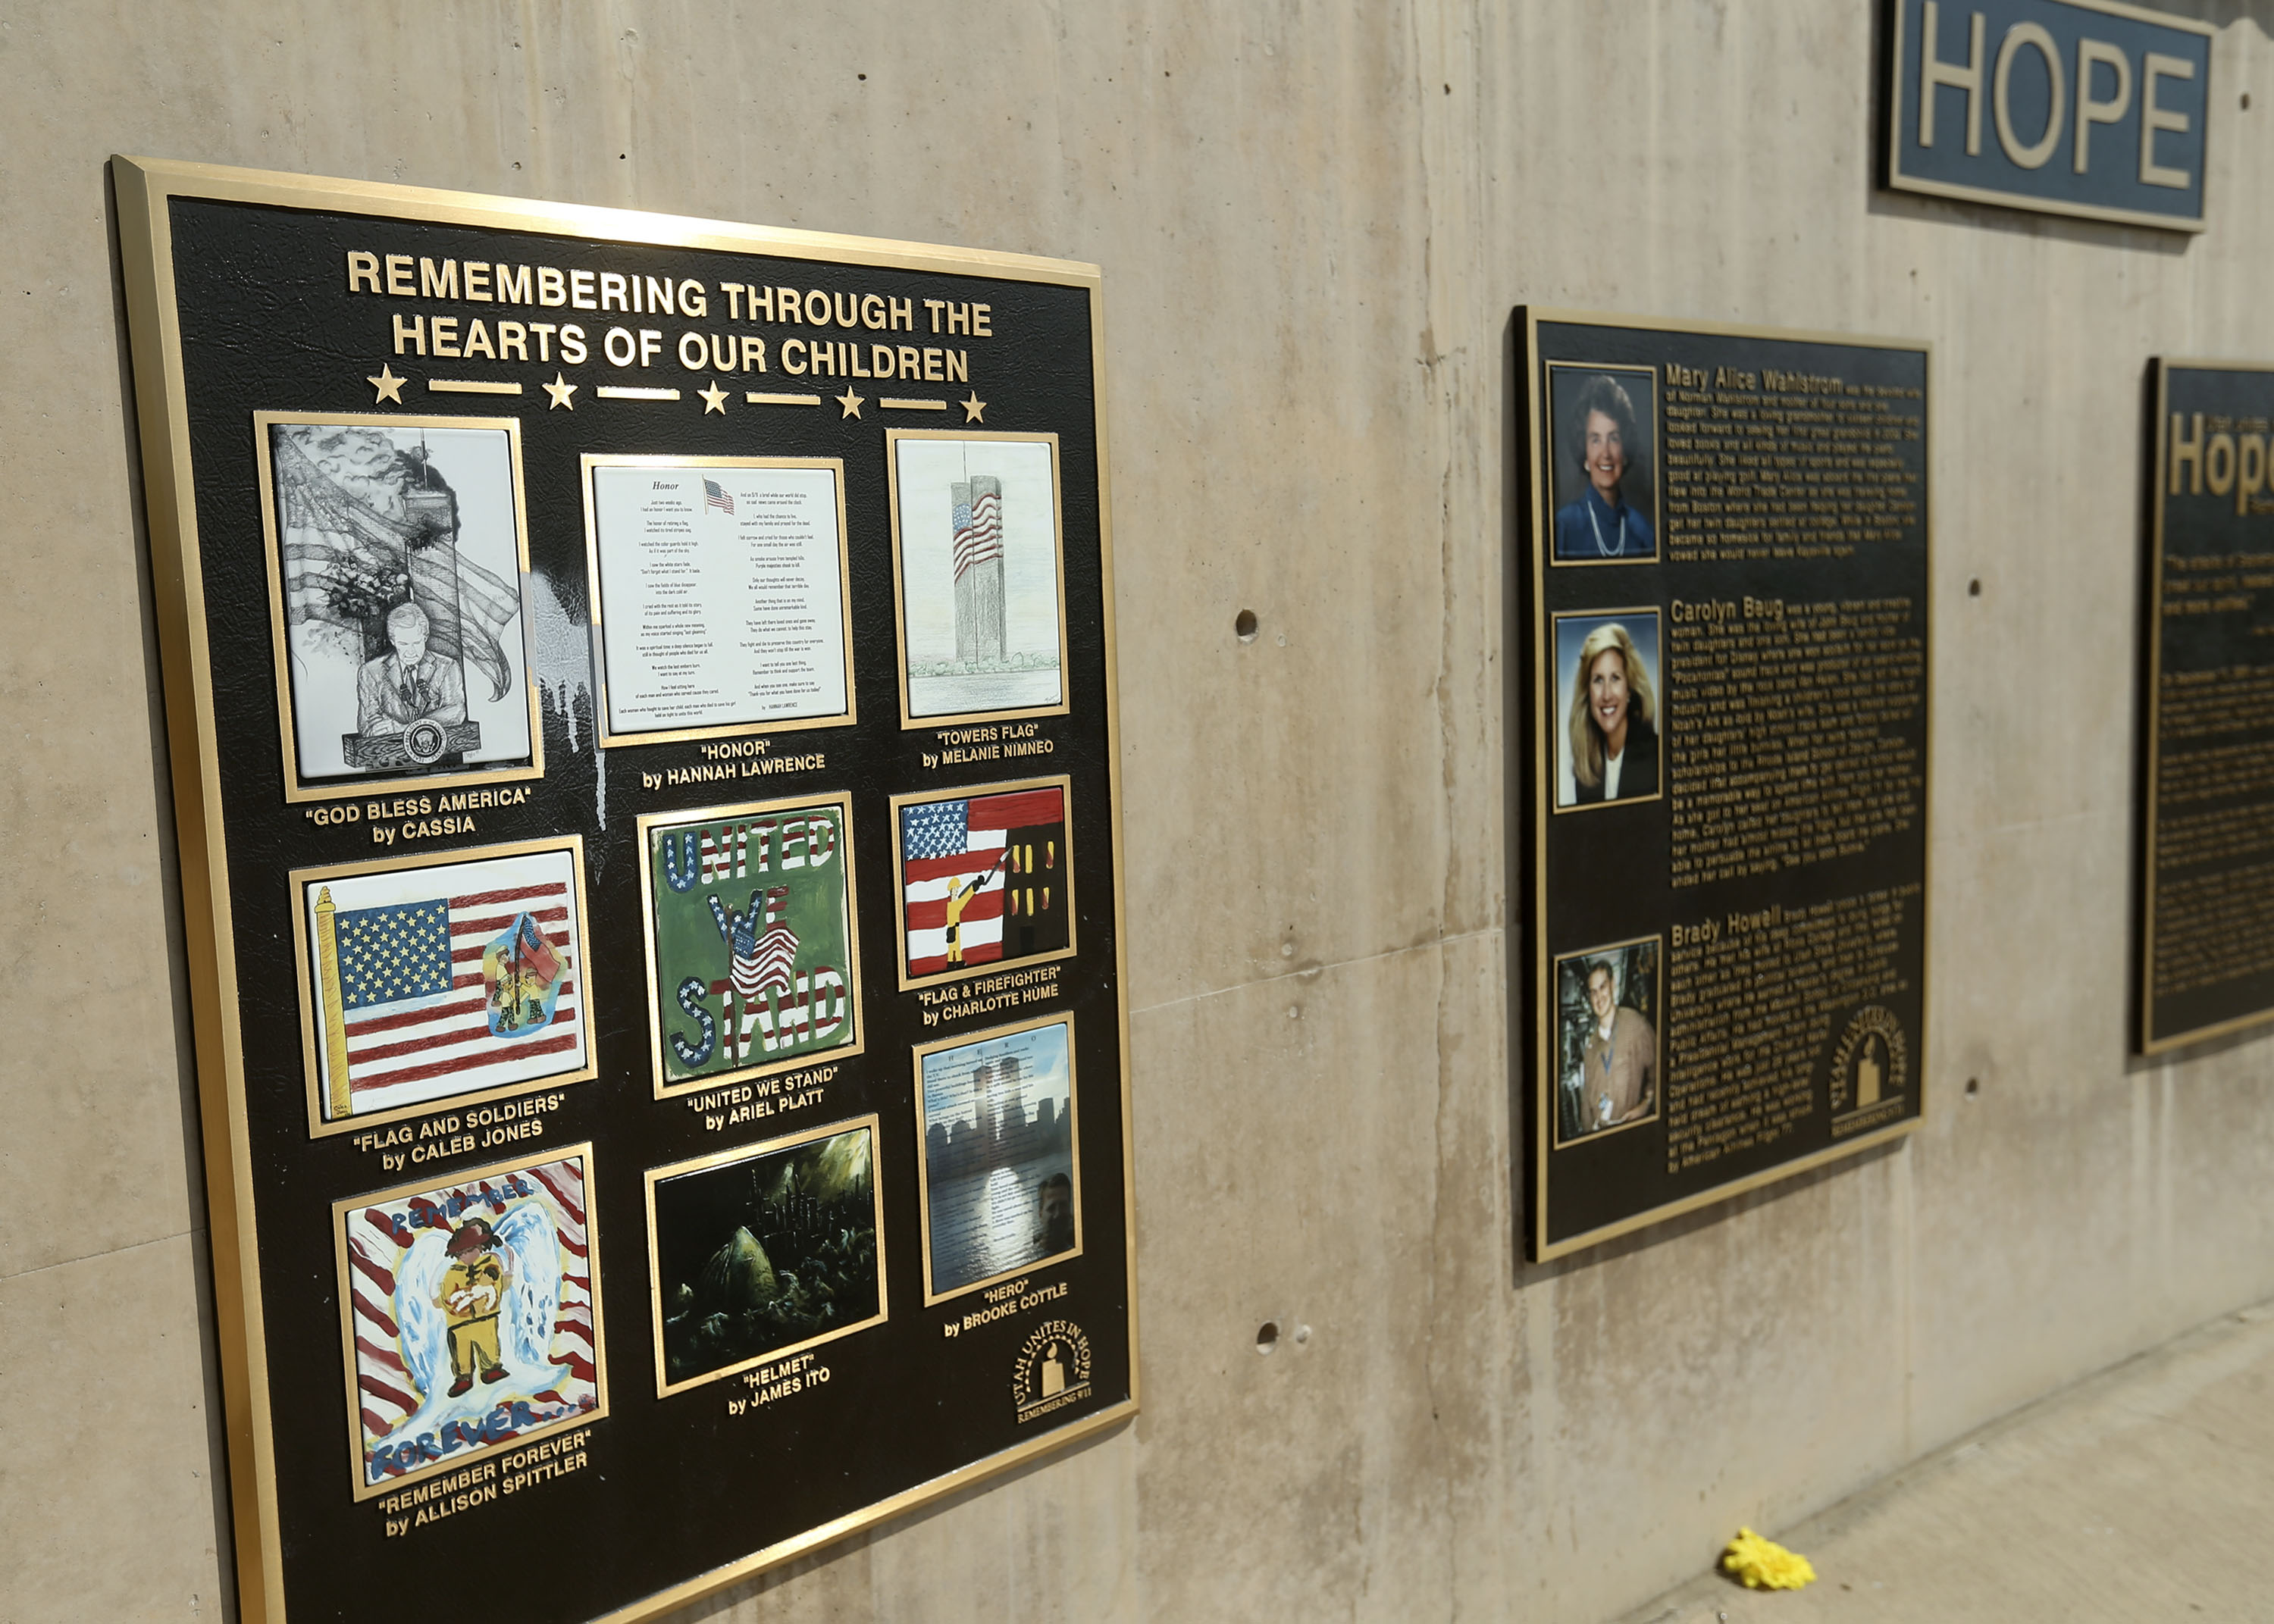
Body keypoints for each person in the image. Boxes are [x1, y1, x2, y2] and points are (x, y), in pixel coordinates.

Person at [1553, 374, 1656, 560]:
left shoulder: (1642, 530)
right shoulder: (1564, 527)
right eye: (1595, 440)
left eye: (1614, 438)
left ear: (1624, 452)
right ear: (1584, 453)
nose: (1606, 453)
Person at [1565, 621, 1658, 805]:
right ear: (1587, 692)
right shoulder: (1587, 769)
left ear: (1629, 689)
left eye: (1615, 678)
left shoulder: (1656, 757)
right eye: (1598, 680)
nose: (1606, 695)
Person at [356, 601, 467, 737]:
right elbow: (367, 722)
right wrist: (379, 729)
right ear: (392, 641)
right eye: (403, 644)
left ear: (425, 637)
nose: (411, 652)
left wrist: (406, 729)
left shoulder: (448, 667)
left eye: (416, 643)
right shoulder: (370, 671)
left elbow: (455, 711)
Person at [435, 1216, 511, 1398]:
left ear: (479, 1248)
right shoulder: (452, 1273)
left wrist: (484, 1287)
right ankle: (463, 1377)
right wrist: (458, 1305)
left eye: (468, 1251)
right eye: (460, 1253)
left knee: (489, 1344)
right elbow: (448, 1298)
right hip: (459, 1324)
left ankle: (491, 1368)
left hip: (486, 1318)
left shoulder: (490, 1264)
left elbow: (494, 1283)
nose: (464, 1256)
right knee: (461, 1351)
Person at [1578, 961, 1655, 1129]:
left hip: (1628, 1131)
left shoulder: (1636, 1025)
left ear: (1612, 985)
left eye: (1603, 987)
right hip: (1599, 1131)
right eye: (1593, 992)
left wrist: (1646, 1105)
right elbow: (1586, 1098)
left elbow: (1659, 1069)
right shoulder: (1591, 1045)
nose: (1599, 997)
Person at [1032, 1172, 1075, 1256]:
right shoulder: (1029, 1257)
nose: (1058, 1214)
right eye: (1051, 1208)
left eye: (1063, 1205)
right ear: (1040, 1214)